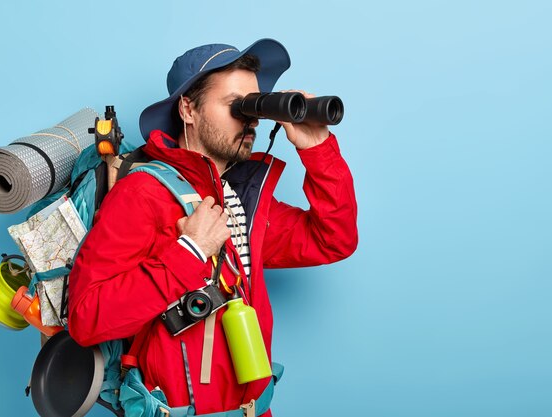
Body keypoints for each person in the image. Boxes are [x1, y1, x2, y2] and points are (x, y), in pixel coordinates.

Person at [68, 38, 358, 416]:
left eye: (254, 104)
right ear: (188, 109)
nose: (250, 118)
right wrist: (188, 252)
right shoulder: (143, 193)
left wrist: (317, 147)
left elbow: (332, 239)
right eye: (234, 105)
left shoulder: (235, 199)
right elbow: (87, 319)